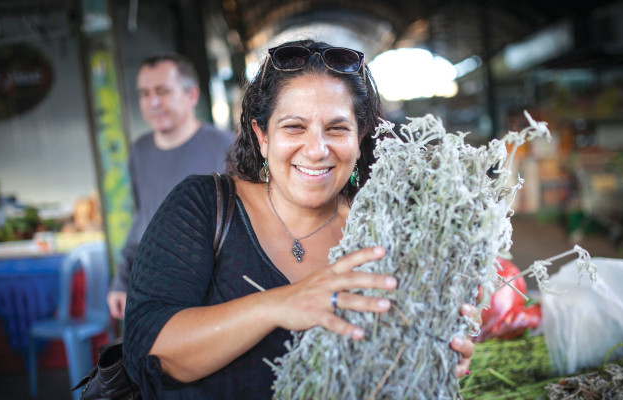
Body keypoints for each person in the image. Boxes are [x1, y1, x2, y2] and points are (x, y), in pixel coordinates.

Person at [124, 39, 477, 399]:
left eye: (337, 128)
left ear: (360, 138)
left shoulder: (390, 231)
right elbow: (150, 352)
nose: (316, 149)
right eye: (294, 127)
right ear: (262, 136)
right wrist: (281, 304)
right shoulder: (204, 206)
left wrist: (431, 358)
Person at [106, 52, 233, 319]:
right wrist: (121, 281)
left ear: (192, 96)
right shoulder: (139, 152)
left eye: (163, 91)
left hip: (216, 293)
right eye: (144, 93)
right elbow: (143, 220)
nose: (153, 102)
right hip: (156, 293)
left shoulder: (227, 147)